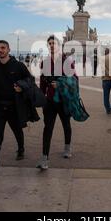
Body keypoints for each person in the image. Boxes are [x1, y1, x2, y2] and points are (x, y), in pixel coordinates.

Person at [0, 40, 33, 178]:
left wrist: (22, 87)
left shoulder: (18, 66)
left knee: (17, 131)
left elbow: (30, 79)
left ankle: (21, 149)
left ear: (8, 49)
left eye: (3, 48)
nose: (0, 50)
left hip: (14, 106)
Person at [37, 35, 77, 170]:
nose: (52, 45)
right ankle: (44, 158)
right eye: (49, 43)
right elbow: (42, 82)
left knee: (66, 124)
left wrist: (60, 84)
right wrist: (41, 97)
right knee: (47, 128)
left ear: (59, 46)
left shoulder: (67, 61)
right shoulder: (45, 62)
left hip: (64, 100)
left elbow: (75, 80)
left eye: (54, 43)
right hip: (49, 101)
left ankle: (67, 147)